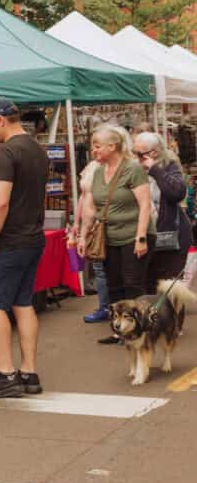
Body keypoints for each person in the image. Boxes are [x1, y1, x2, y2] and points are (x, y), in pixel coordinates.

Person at [0, 98, 48, 399]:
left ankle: (6, 373)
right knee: (23, 302)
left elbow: (0, 202)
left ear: (2, 119)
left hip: (8, 240)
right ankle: (29, 372)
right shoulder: (36, 149)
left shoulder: (5, 153)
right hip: (33, 237)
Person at [78, 125, 154, 345]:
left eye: (97, 145)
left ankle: (141, 330)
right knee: (114, 285)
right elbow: (91, 208)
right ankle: (119, 330)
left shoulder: (133, 169)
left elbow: (145, 205)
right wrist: (83, 235)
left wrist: (141, 237)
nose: (93, 150)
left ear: (113, 146)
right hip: (109, 238)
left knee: (133, 285)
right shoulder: (98, 171)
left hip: (133, 235)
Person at [134, 131, 191, 287]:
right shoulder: (134, 170)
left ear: (154, 153)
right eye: (134, 153)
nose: (136, 158)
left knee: (170, 291)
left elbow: (177, 193)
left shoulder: (169, 166)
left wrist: (154, 169)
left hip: (171, 239)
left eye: (139, 154)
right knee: (147, 288)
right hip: (145, 239)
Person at [74, 160, 112, 323]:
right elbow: (83, 196)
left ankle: (107, 307)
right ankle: (105, 306)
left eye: (98, 146)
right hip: (91, 222)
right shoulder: (91, 166)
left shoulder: (112, 167)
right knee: (98, 265)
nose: (95, 150)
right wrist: (77, 221)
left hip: (102, 222)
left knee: (102, 266)